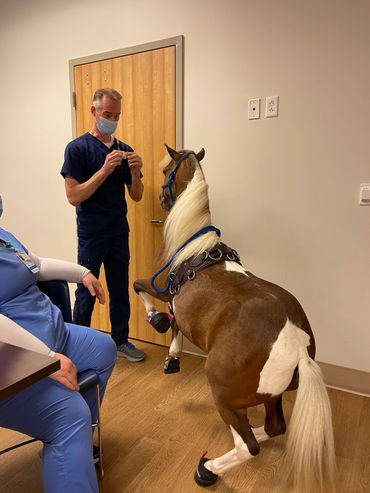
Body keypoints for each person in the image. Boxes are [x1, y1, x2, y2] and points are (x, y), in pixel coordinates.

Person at [0, 194, 116, 493]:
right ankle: (68, 436)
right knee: (69, 417)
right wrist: (48, 358)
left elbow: (35, 265)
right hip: (15, 360)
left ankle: (74, 446)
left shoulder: (3, 236)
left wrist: (83, 273)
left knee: (103, 349)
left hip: (53, 333)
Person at [61, 88, 145, 362]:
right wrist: (103, 171)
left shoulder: (124, 150)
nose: (112, 119)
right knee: (87, 289)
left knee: (120, 289)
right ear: (93, 111)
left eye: (117, 115)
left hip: (118, 230)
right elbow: (73, 196)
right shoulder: (77, 149)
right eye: (107, 114)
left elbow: (137, 195)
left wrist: (134, 173)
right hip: (91, 233)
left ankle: (121, 340)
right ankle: (77, 345)